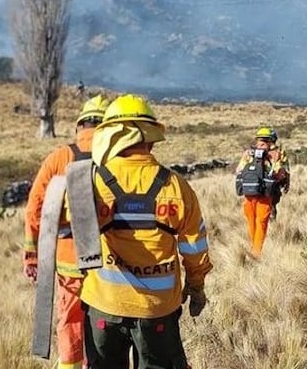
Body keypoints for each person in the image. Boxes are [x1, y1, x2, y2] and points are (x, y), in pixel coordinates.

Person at [77, 94, 213, 369]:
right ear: (150, 138)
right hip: (158, 310)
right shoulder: (176, 187)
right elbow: (195, 248)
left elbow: (70, 238)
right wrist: (196, 287)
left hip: (104, 306)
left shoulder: (88, 182)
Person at [23, 94, 110, 369]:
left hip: (68, 259)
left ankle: (71, 364)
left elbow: (35, 208)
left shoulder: (60, 157)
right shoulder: (116, 157)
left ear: (79, 126)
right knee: (107, 317)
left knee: (70, 317)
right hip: (111, 258)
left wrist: (32, 256)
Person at [234, 126, 290, 259]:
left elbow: (239, 170)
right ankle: (256, 253)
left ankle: (253, 248)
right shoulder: (278, 153)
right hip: (265, 194)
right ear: (272, 140)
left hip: (249, 193)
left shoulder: (249, 153)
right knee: (262, 222)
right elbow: (280, 173)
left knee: (251, 221)